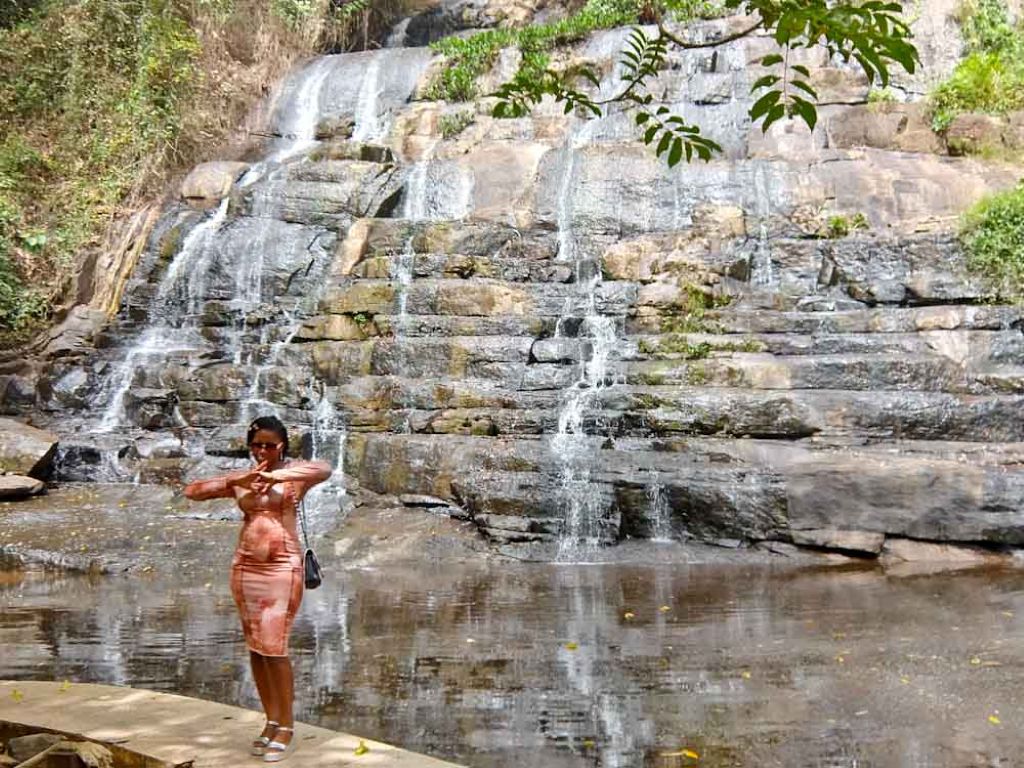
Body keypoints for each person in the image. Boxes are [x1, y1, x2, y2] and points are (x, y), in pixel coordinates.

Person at [184, 416, 331, 762]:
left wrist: (274, 475)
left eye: (269, 444)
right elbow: (192, 491)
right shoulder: (243, 480)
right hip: (245, 567)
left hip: (282, 567)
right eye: (256, 445)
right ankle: (271, 720)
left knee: (274, 645)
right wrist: (242, 479)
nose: (262, 451)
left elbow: (323, 468)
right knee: (256, 646)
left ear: (282, 445)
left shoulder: (294, 478)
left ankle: (288, 727)